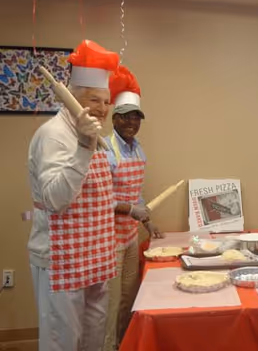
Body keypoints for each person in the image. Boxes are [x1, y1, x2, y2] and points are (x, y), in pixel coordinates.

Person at [27, 40, 119, 351]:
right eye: (94, 100)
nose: (103, 109)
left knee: (93, 337)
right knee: (63, 342)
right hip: (60, 257)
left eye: (106, 102)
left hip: (93, 254)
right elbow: (55, 200)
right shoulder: (54, 135)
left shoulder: (93, 133)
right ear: (72, 98)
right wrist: (82, 147)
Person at [103, 65, 163, 351]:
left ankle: (124, 345)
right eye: (125, 117)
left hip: (129, 238)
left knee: (129, 297)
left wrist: (147, 222)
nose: (131, 122)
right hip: (107, 239)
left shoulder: (138, 150)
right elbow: (100, 200)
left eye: (135, 117)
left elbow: (135, 192)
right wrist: (130, 210)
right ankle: (107, 346)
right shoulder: (105, 150)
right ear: (114, 118)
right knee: (111, 301)